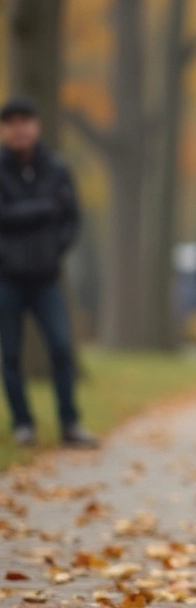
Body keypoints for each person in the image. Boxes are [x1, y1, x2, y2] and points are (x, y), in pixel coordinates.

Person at [0, 98, 96, 450]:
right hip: (6, 279)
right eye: (11, 122)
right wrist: (41, 210)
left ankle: (69, 422)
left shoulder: (56, 168)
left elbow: (71, 217)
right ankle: (22, 423)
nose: (19, 128)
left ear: (36, 126)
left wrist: (55, 246)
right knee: (10, 355)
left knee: (61, 347)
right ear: (3, 129)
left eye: (25, 120)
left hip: (46, 278)